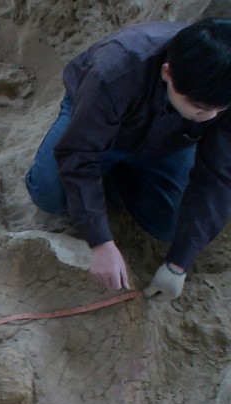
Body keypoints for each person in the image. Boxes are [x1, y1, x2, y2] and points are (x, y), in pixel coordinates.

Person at [25, 18, 231, 301]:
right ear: (167, 73)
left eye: (220, 109)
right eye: (199, 107)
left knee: (172, 225)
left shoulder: (220, 96)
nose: (210, 117)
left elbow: (218, 177)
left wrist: (178, 265)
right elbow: (79, 155)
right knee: (48, 193)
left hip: (171, 142)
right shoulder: (115, 69)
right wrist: (101, 242)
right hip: (101, 127)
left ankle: (120, 178)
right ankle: (107, 171)